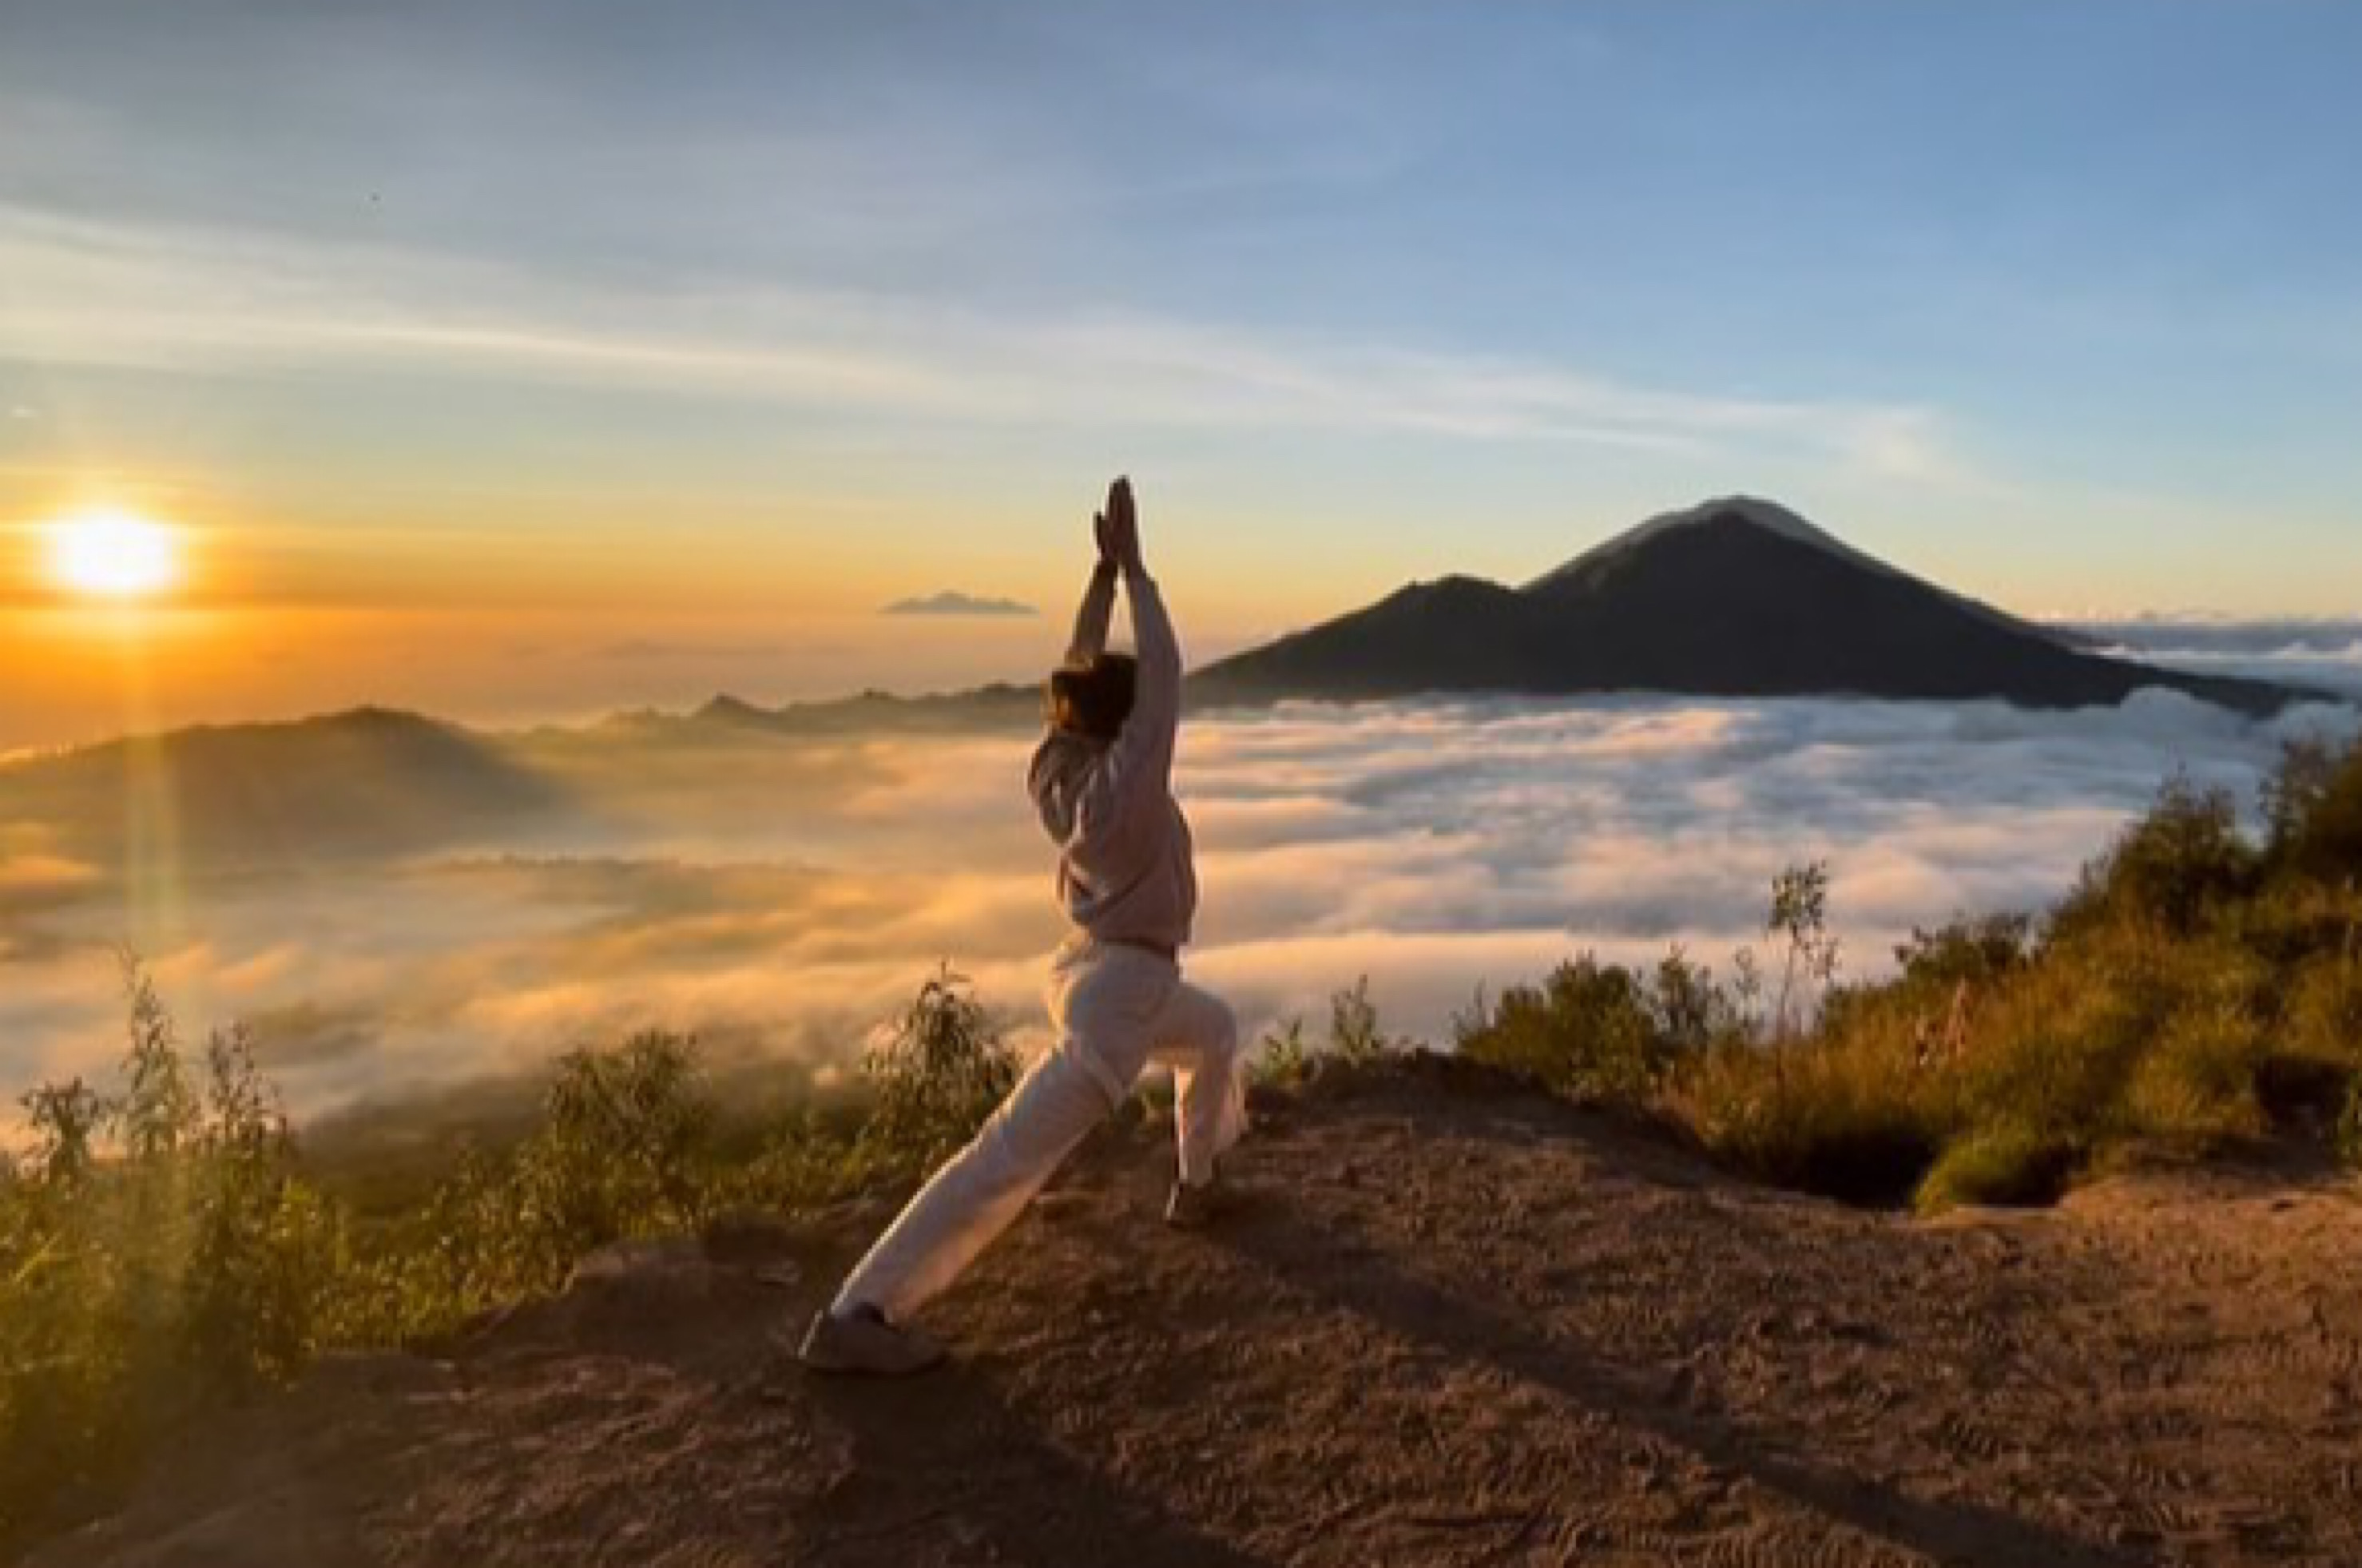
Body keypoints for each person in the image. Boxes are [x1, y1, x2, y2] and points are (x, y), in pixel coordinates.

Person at [800, 474, 1248, 1376]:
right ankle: (857, 1311)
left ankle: (1195, 1186)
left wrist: (1096, 584)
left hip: (1106, 974)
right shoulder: (1124, 795)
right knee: (997, 1161)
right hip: (1113, 999)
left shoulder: (1055, 765)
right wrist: (1137, 575)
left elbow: (1086, 673)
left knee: (1214, 1033)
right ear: (1126, 734)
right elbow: (1160, 676)